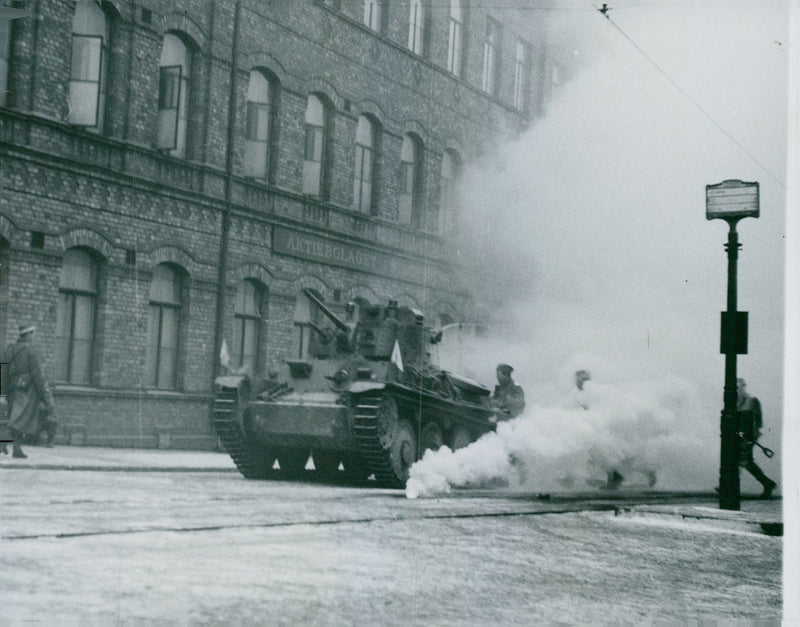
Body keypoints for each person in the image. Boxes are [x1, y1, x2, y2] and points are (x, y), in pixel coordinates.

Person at [5, 325, 55, 458]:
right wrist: (43, 395)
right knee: (20, 419)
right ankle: (6, 441)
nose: (34, 336)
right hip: (26, 389)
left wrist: (4, 389)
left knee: (15, 417)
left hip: (11, 388)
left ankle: (16, 449)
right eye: (32, 334)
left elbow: (3, 370)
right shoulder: (31, 351)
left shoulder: (10, 349)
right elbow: (37, 374)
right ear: (27, 335)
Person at [736, 378, 777, 499]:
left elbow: (757, 422)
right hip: (738, 436)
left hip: (747, 437)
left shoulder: (752, 401)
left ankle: (767, 483)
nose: (738, 390)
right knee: (739, 460)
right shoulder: (737, 402)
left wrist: (752, 437)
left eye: (739, 387)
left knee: (744, 461)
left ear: (743, 387)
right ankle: (767, 483)